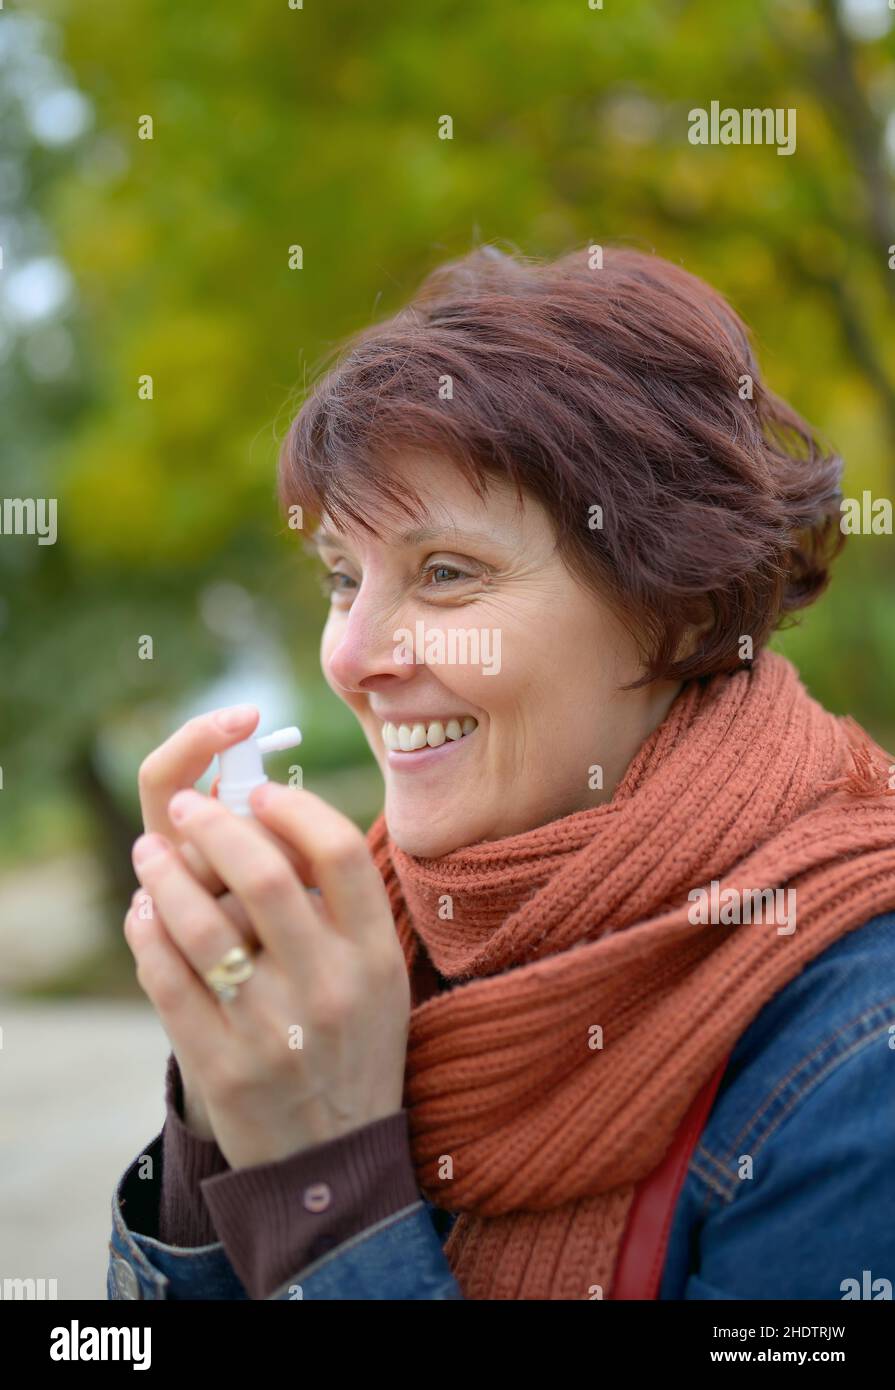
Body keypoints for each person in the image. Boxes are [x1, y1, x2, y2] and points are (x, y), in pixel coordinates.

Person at [107, 245, 895, 1301]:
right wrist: (218, 1114)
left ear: (685, 603)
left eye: (445, 573)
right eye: (344, 577)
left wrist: (322, 1191)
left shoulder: (861, 1055)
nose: (350, 655)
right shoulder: (364, 953)